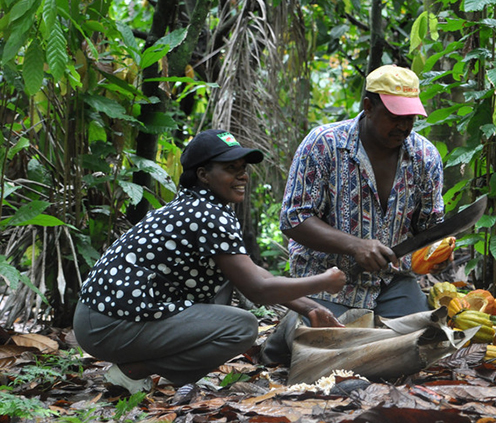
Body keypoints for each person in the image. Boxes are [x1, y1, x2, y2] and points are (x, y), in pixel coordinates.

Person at [74, 129, 346, 395]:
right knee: (241, 327)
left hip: (100, 320)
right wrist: (325, 281)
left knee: (228, 281)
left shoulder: (198, 206)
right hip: (106, 325)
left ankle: (180, 375)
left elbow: (249, 271)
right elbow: (257, 290)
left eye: (243, 167)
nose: (242, 175)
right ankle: (133, 371)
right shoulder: (207, 214)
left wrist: (310, 307)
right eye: (231, 168)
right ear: (203, 175)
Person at [260, 65, 445, 364]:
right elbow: (294, 218)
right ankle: (282, 338)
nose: (404, 126)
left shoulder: (425, 156)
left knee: (426, 347)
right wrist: (354, 245)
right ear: (368, 106)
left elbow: (429, 226)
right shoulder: (323, 144)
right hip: (328, 280)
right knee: (320, 347)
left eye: (410, 118)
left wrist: (436, 253)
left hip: (391, 282)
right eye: (395, 116)